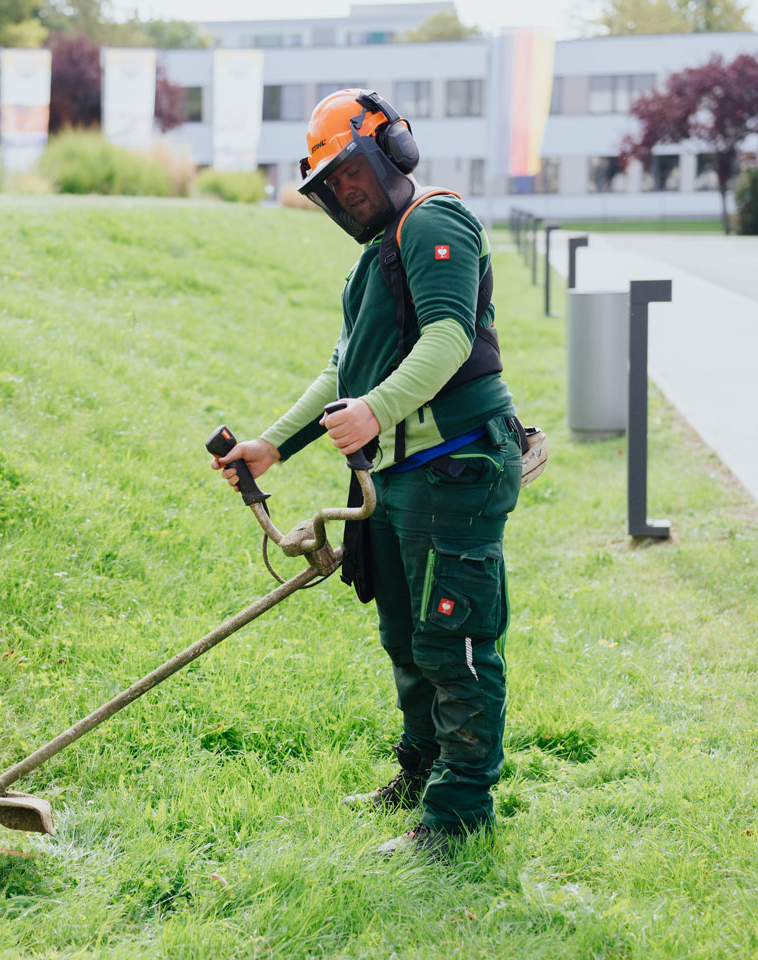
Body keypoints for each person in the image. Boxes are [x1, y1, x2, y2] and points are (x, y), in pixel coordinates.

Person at [209, 89, 524, 860]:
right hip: (402, 471)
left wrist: (377, 411)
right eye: (330, 187)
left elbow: (450, 338)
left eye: (350, 173)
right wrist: (274, 445)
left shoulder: (436, 223)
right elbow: (341, 368)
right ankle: (420, 775)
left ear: (395, 152)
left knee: (454, 637)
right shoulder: (373, 260)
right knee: (406, 635)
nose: (344, 194)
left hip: (456, 463)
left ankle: (458, 816)